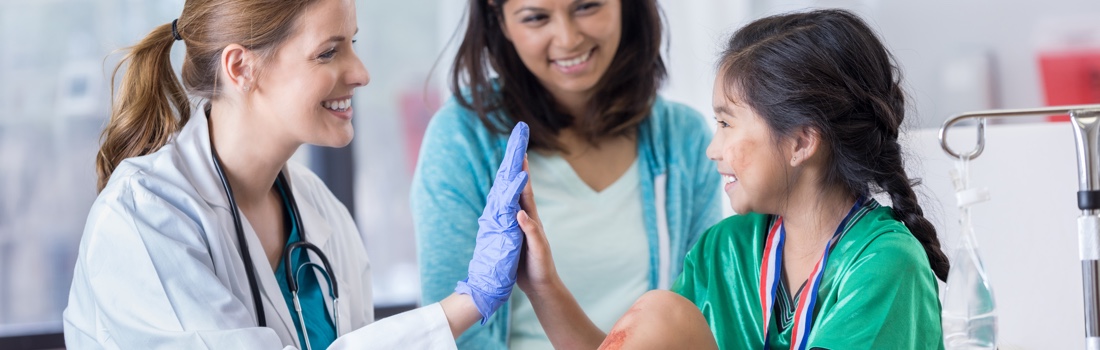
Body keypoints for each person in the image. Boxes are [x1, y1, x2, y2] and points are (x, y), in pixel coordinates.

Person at [62, 0, 533, 348]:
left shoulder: (320, 209)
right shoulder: (142, 220)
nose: (361, 73)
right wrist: (468, 302)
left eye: (353, 44)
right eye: (328, 52)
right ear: (241, 67)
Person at [512, 9, 948, 349]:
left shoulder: (886, 263)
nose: (712, 149)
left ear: (800, 142)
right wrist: (542, 285)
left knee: (663, 314)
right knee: (661, 316)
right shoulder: (724, 249)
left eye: (726, 124)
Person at [411, 0, 723, 347]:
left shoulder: (685, 139)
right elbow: (455, 332)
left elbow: (699, 323)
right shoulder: (460, 137)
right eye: (536, 17)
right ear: (499, 21)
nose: (568, 38)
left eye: (587, 6)